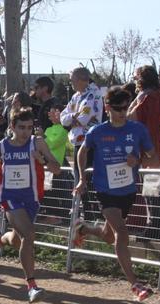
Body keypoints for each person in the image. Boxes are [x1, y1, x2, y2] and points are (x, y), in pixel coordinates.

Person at [71, 88, 157, 302]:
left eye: (126, 108)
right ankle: (135, 285)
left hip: (127, 190)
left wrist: (136, 160)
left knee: (109, 237)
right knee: (121, 232)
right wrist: (82, 179)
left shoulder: (137, 129)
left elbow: (151, 155)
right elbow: (82, 152)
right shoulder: (97, 132)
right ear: (108, 108)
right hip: (105, 190)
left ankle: (82, 229)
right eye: (118, 109)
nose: (122, 112)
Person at [0, 108, 62, 302]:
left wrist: (43, 159)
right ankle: (31, 285)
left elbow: (57, 168)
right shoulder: (1, 146)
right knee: (29, 234)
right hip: (9, 197)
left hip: (32, 198)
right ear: (12, 126)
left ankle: (0, 239)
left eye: (29, 128)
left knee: (19, 239)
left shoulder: (37, 143)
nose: (25, 132)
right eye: (21, 127)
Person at [128, 65, 160, 240]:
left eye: (136, 76)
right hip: (149, 142)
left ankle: (155, 226)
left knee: (151, 186)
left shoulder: (150, 96)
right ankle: (153, 225)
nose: (134, 79)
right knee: (149, 187)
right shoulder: (155, 94)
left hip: (148, 144)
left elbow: (140, 120)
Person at [61, 67, 103, 220]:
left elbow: (83, 119)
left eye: (72, 80)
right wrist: (73, 116)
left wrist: (72, 119)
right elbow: (63, 118)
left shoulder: (93, 94)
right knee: (79, 177)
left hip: (89, 143)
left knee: (87, 178)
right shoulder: (76, 96)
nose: (70, 83)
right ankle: (87, 212)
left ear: (80, 80)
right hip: (77, 142)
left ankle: (95, 215)